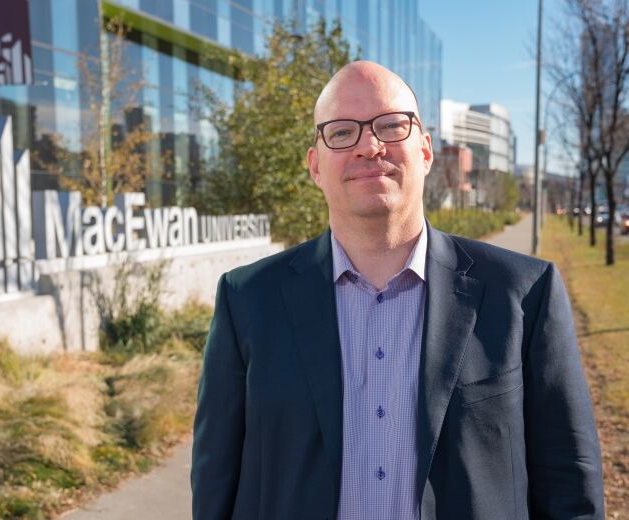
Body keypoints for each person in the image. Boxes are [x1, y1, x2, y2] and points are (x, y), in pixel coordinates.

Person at [191, 61, 604, 520]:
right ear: (315, 167)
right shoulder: (247, 300)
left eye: (391, 125)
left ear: (426, 151)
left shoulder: (524, 295)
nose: (370, 146)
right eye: (342, 132)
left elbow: (569, 477)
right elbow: (216, 483)